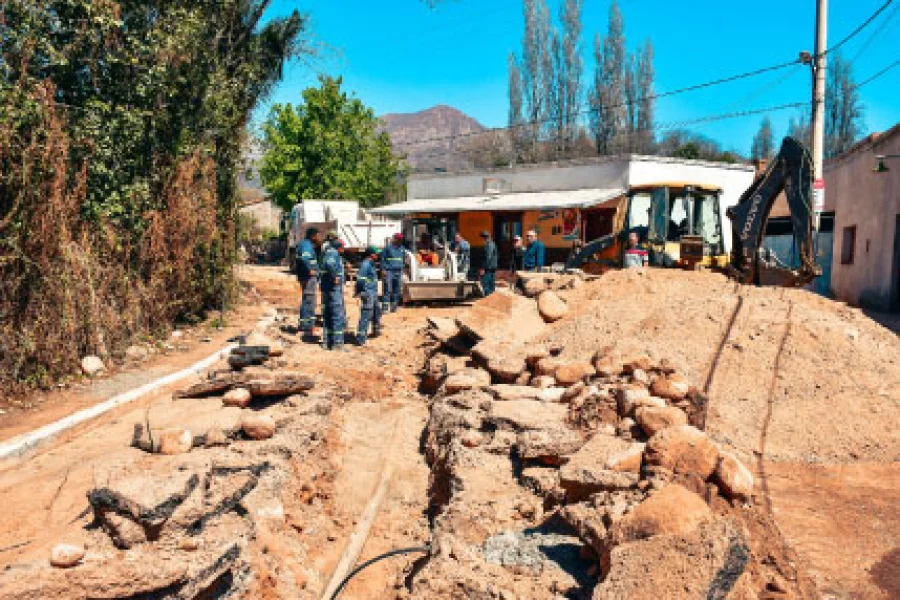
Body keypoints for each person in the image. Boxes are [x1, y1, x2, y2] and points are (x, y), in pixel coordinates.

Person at [320, 239, 347, 350]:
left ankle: (327, 342)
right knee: (337, 315)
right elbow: (329, 264)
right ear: (339, 247)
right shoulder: (333, 253)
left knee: (328, 315)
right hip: (333, 289)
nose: (343, 249)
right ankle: (338, 344)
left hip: (327, 288)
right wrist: (335, 277)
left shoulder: (328, 253)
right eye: (343, 247)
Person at [355, 246, 382, 346]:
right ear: (371, 254)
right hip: (367, 293)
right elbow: (360, 280)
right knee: (366, 315)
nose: (378, 255)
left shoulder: (371, 264)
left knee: (376, 311)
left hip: (373, 292)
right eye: (376, 254)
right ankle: (361, 338)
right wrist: (361, 292)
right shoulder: (365, 265)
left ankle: (376, 331)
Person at [296, 227, 320, 339]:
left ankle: (304, 325)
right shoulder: (306, 245)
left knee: (307, 299)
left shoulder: (305, 244)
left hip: (305, 276)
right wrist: (310, 270)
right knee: (309, 300)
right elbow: (305, 259)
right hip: (308, 277)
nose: (317, 238)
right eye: (316, 235)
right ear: (312, 236)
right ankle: (307, 327)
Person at [381, 232, 405, 312]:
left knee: (397, 290)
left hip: (398, 271)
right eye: (398, 239)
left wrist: (402, 268)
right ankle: (385, 308)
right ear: (394, 239)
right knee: (387, 289)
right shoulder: (387, 248)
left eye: (401, 239)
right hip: (389, 271)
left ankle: (394, 307)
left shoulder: (402, 248)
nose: (399, 241)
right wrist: (383, 269)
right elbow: (382, 259)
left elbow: (403, 259)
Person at [479, 231, 498, 296]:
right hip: (491, 267)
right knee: (491, 284)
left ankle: (488, 299)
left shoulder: (489, 245)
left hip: (488, 268)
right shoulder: (492, 244)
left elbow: (488, 257)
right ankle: (492, 299)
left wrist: (483, 268)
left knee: (486, 284)